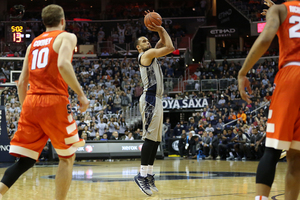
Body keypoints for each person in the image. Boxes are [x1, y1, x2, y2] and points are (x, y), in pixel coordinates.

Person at [0, 4, 89, 200]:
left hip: (31, 101)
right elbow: (63, 64)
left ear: (44, 22)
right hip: (54, 101)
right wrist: (81, 94)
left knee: (26, 160)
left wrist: (26, 109)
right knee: (67, 158)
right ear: (63, 21)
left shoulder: (33, 44)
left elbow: (22, 82)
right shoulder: (66, 36)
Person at [238, 1, 300, 200]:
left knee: (272, 149)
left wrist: (243, 72)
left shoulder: (281, 9)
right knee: (297, 156)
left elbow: (266, 38)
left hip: (292, 76)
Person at [133, 10, 175, 196]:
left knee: (156, 139)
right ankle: (141, 175)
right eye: (142, 41)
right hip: (150, 98)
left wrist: (158, 30)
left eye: (146, 39)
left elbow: (164, 42)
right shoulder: (146, 56)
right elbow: (170, 47)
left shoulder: (152, 53)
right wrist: (160, 28)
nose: (146, 42)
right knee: (149, 138)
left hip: (157, 99)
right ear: (138, 48)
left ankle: (149, 174)